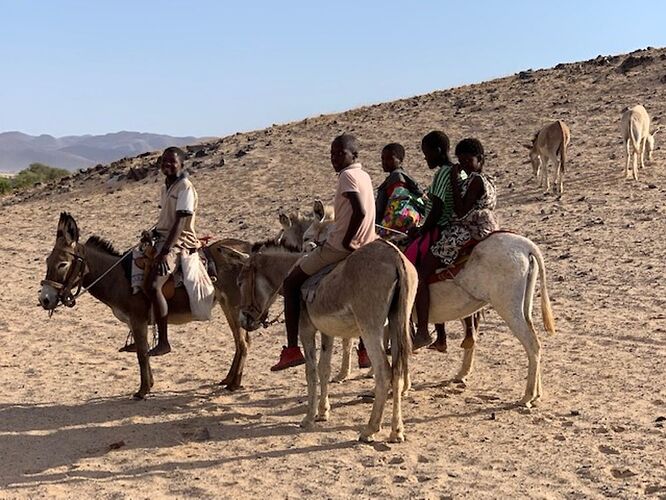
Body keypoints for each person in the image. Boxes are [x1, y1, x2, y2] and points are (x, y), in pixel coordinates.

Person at [271, 134, 377, 371]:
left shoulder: (347, 176)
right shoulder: (364, 175)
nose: (335, 158)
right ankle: (363, 350)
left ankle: (291, 349)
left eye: (340, 153)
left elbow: (359, 212)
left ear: (354, 155)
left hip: (340, 247)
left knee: (291, 282)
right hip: (368, 243)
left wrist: (349, 241)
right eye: (332, 154)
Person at [125, 146, 200, 356]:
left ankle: (164, 341)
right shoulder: (166, 186)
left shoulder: (184, 187)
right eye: (164, 161)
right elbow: (165, 221)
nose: (167, 165)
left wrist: (165, 252)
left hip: (179, 241)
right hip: (161, 238)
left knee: (154, 284)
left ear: (181, 164)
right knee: (134, 272)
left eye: (172, 161)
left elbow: (180, 222)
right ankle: (137, 333)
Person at [409, 131, 463, 350]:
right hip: (447, 227)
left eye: (426, 153)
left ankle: (422, 331)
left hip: (441, 230)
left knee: (417, 276)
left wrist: (421, 230)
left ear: (438, 151)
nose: (425, 158)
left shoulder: (442, 173)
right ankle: (440, 337)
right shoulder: (460, 172)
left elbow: (438, 208)